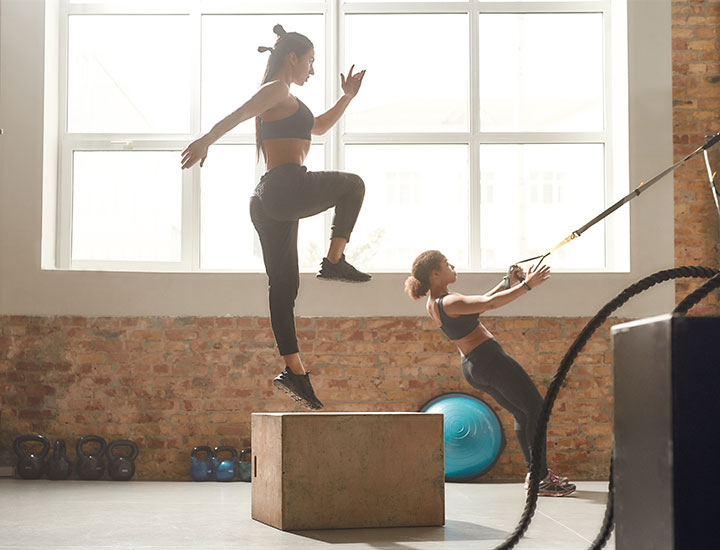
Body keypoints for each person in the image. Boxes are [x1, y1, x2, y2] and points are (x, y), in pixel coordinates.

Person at [181, 24, 371, 411]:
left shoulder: (288, 101)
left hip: (269, 199)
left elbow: (317, 127)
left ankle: (294, 372)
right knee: (353, 186)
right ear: (293, 58)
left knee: (284, 288)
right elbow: (237, 115)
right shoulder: (277, 90)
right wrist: (206, 140)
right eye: (311, 62)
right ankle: (334, 261)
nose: (312, 71)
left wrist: (346, 97)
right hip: (284, 186)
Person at [405, 250, 576, 496]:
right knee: (537, 409)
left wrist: (507, 282)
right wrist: (528, 285)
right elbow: (490, 304)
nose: (452, 265)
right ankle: (540, 477)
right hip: (491, 361)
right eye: (446, 264)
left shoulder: (436, 302)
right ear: (435, 274)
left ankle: (536, 474)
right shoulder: (449, 302)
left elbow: (478, 305)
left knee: (523, 412)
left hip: (475, 366)